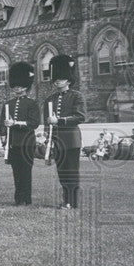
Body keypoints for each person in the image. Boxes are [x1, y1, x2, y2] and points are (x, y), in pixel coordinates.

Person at [43, 54, 86, 209]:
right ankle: (66, 200)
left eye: (61, 78)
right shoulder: (50, 99)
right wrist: (48, 141)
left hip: (71, 140)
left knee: (71, 172)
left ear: (68, 79)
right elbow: (47, 122)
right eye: (56, 79)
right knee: (62, 173)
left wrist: (59, 121)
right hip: (57, 141)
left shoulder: (77, 96)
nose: (57, 81)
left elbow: (80, 117)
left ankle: (71, 202)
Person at [1, 61, 40, 206]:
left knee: (25, 171)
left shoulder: (32, 103)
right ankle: (18, 198)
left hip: (27, 142)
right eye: (15, 85)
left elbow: (33, 123)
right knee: (16, 171)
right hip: (13, 143)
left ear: (26, 86)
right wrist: (4, 137)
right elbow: (2, 123)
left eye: (20, 85)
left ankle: (26, 198)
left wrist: (16, 123)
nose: (17, 88)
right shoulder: (8, 104)